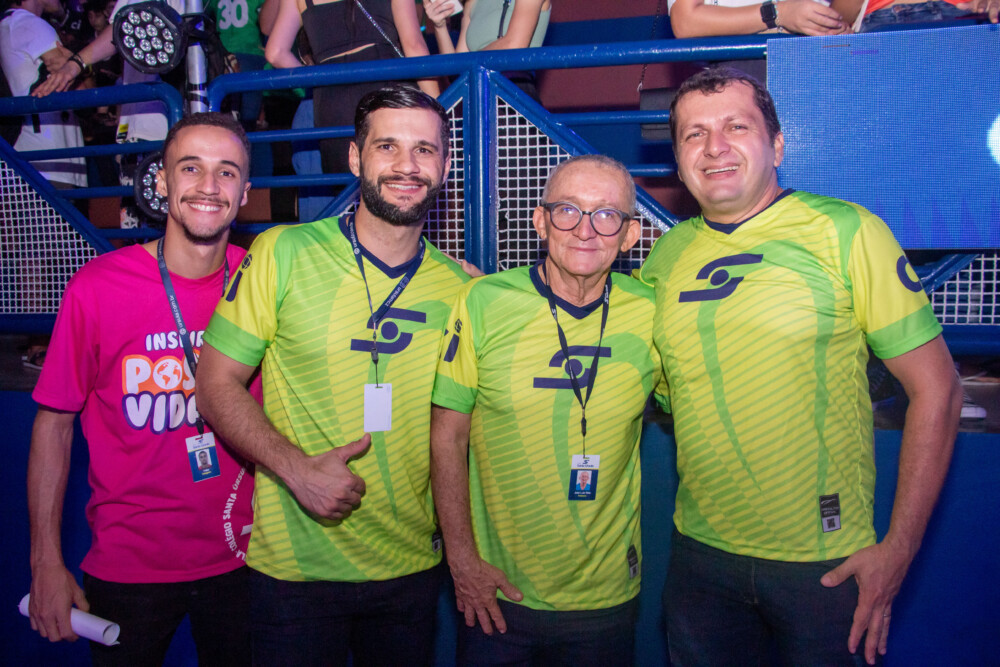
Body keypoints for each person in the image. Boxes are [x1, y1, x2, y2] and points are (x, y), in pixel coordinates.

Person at [638, 67, 962, 666]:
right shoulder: (666, 255)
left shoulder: (847, 231)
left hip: (825, 564)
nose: (715, 147)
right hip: (700, 559)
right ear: (678, 161)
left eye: (737, 127)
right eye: (694, 134)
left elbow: (938, 390)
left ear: (778, 145)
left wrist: (898, 550)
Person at [195, 84, 470, 666]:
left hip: (410, 571)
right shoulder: (283, 252)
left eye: (424, 150)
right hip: (295, 575)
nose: (406, 166)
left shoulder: (462, 289)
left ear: (444, 167)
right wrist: (297, 470)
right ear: (354, 158)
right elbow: (214, 385)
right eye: (387, 146)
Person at [26, 112, 255, 665]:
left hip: (247, 558)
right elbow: (54, 427)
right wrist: (45, 561)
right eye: (191, 168)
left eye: (227, 172)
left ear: (245, 193)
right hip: (129, 566)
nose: (208, 186)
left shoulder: (262, 280)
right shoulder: (98, 287)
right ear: (162, 181)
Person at [430, 155, 661, 666]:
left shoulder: (652, 311)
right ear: (540, 221)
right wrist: (462, 560)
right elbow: (447, 437)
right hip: (495, 594)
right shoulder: (483, 301)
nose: (585, 229)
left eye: (607, 214)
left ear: (630, 235)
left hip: (605, 598)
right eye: (568, 210)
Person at [264, 0, 440, 178]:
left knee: (346, 185)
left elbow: (276, 52)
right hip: (385, 89)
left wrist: (316, 80)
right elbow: (414, 46)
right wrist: (440, 107)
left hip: (332, 99)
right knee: (397, 178)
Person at [0, 0, 87, 188]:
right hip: (52, 158)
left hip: (29, 154)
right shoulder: (29, 24)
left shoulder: (8, 24)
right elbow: (84, 92)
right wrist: (85, 66)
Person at [425, 0, 551, 99]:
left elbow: (514, 45)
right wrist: (440, 26)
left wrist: (467, 63)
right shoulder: (472, 2)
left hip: (515, 94)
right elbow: (456, 73)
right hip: (477, 96)